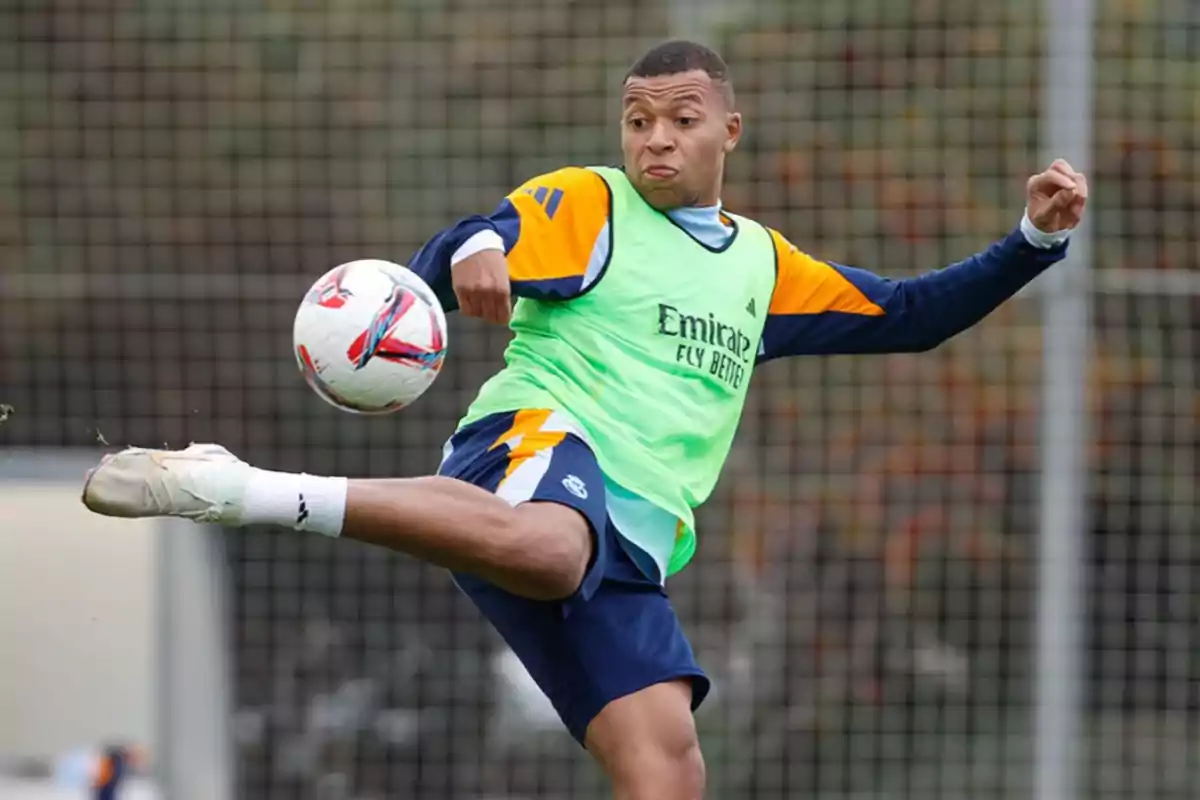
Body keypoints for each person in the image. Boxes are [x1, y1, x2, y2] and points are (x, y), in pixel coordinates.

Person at [81, 40, 1088, 799]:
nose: (656, 137)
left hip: (629, 544)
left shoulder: (764, 269)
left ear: (729, 130)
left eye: (682, 118)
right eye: (639, 118)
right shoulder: (594, 206)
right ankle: (238, 487)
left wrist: (1032, 242)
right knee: (557, 546)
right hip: (531, 453)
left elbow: (908, 318)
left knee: (668, 765)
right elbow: (487, 232)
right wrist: (470, 243)